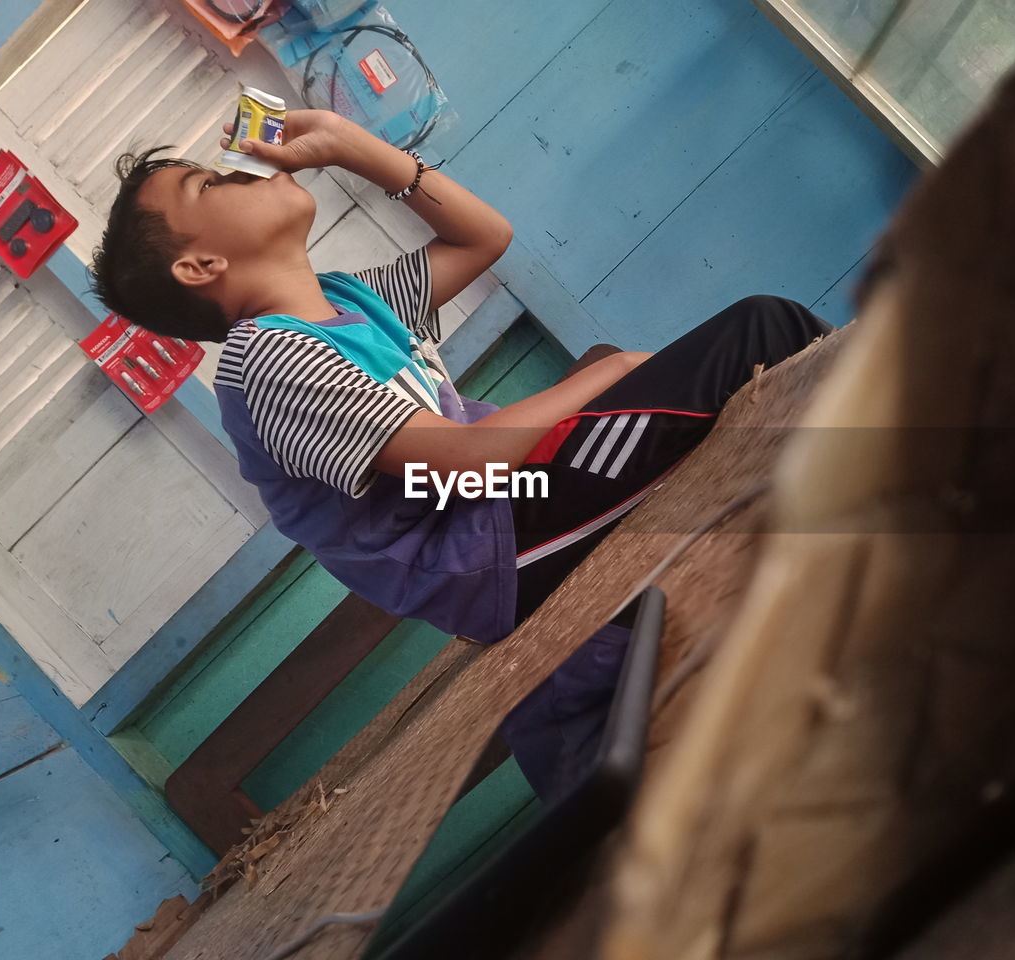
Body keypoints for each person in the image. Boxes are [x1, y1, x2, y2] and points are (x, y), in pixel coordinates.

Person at [90, 108, 830, 794]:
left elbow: (482, 238)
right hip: (494, 544)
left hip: (513, 506)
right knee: (761, 333)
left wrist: (359, 149)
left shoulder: (347, 302)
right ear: (199, 267)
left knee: (753, 352)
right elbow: (467, 461)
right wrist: (609, 372)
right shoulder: (267, 360)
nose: (241, 169)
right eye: (210, 182)